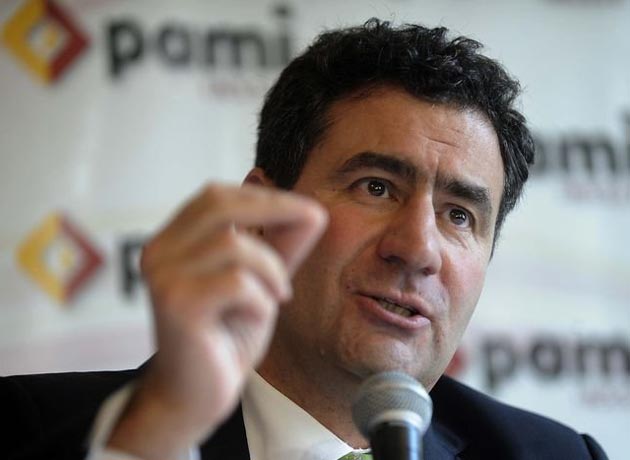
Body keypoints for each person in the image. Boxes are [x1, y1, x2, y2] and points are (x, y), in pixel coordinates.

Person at [2, 19, 608, 460]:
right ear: (259, 216)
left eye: (459, 215)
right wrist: (160, 428)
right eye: (376, 188)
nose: (418, 249)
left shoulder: (552, 454)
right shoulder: (38, 430)